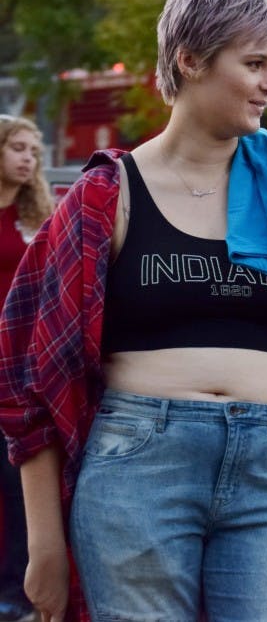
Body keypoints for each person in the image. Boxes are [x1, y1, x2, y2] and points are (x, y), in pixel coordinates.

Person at [0, 0, 267, 622]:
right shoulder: (103, 198)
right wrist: (44, 542)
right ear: (191, 59)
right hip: (137, 467)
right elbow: (32, 371)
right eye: (255, 63)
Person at [0, 115, 53, 622]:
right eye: (17, 148)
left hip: (20, 369)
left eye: (33, 152)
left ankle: (15, 588)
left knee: (19, 481)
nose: (27, 159)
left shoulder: (38, 213)